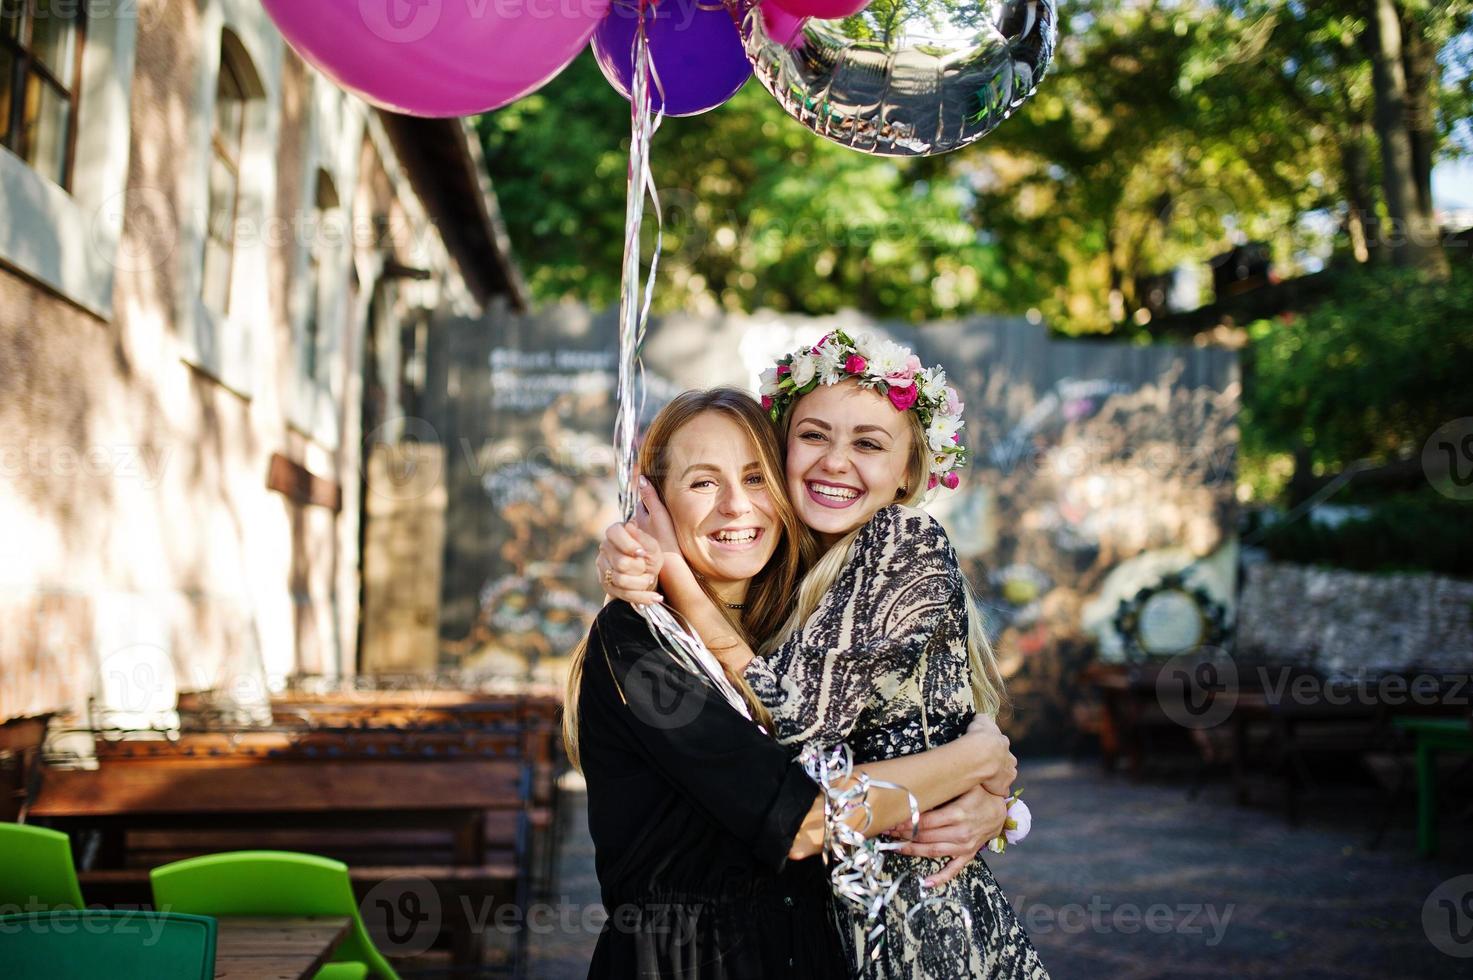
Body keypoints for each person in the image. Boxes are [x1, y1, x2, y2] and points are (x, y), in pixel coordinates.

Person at [598, 333, 1051, 979]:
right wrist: (976, 767)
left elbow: (803, 720)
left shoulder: (901, 537)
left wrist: (988, 779)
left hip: (918, 922)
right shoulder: (787, 581)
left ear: (908, 473)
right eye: (813, 437)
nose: (836, 461)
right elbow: (797, 790)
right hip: (808, 929)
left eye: (868, 444)